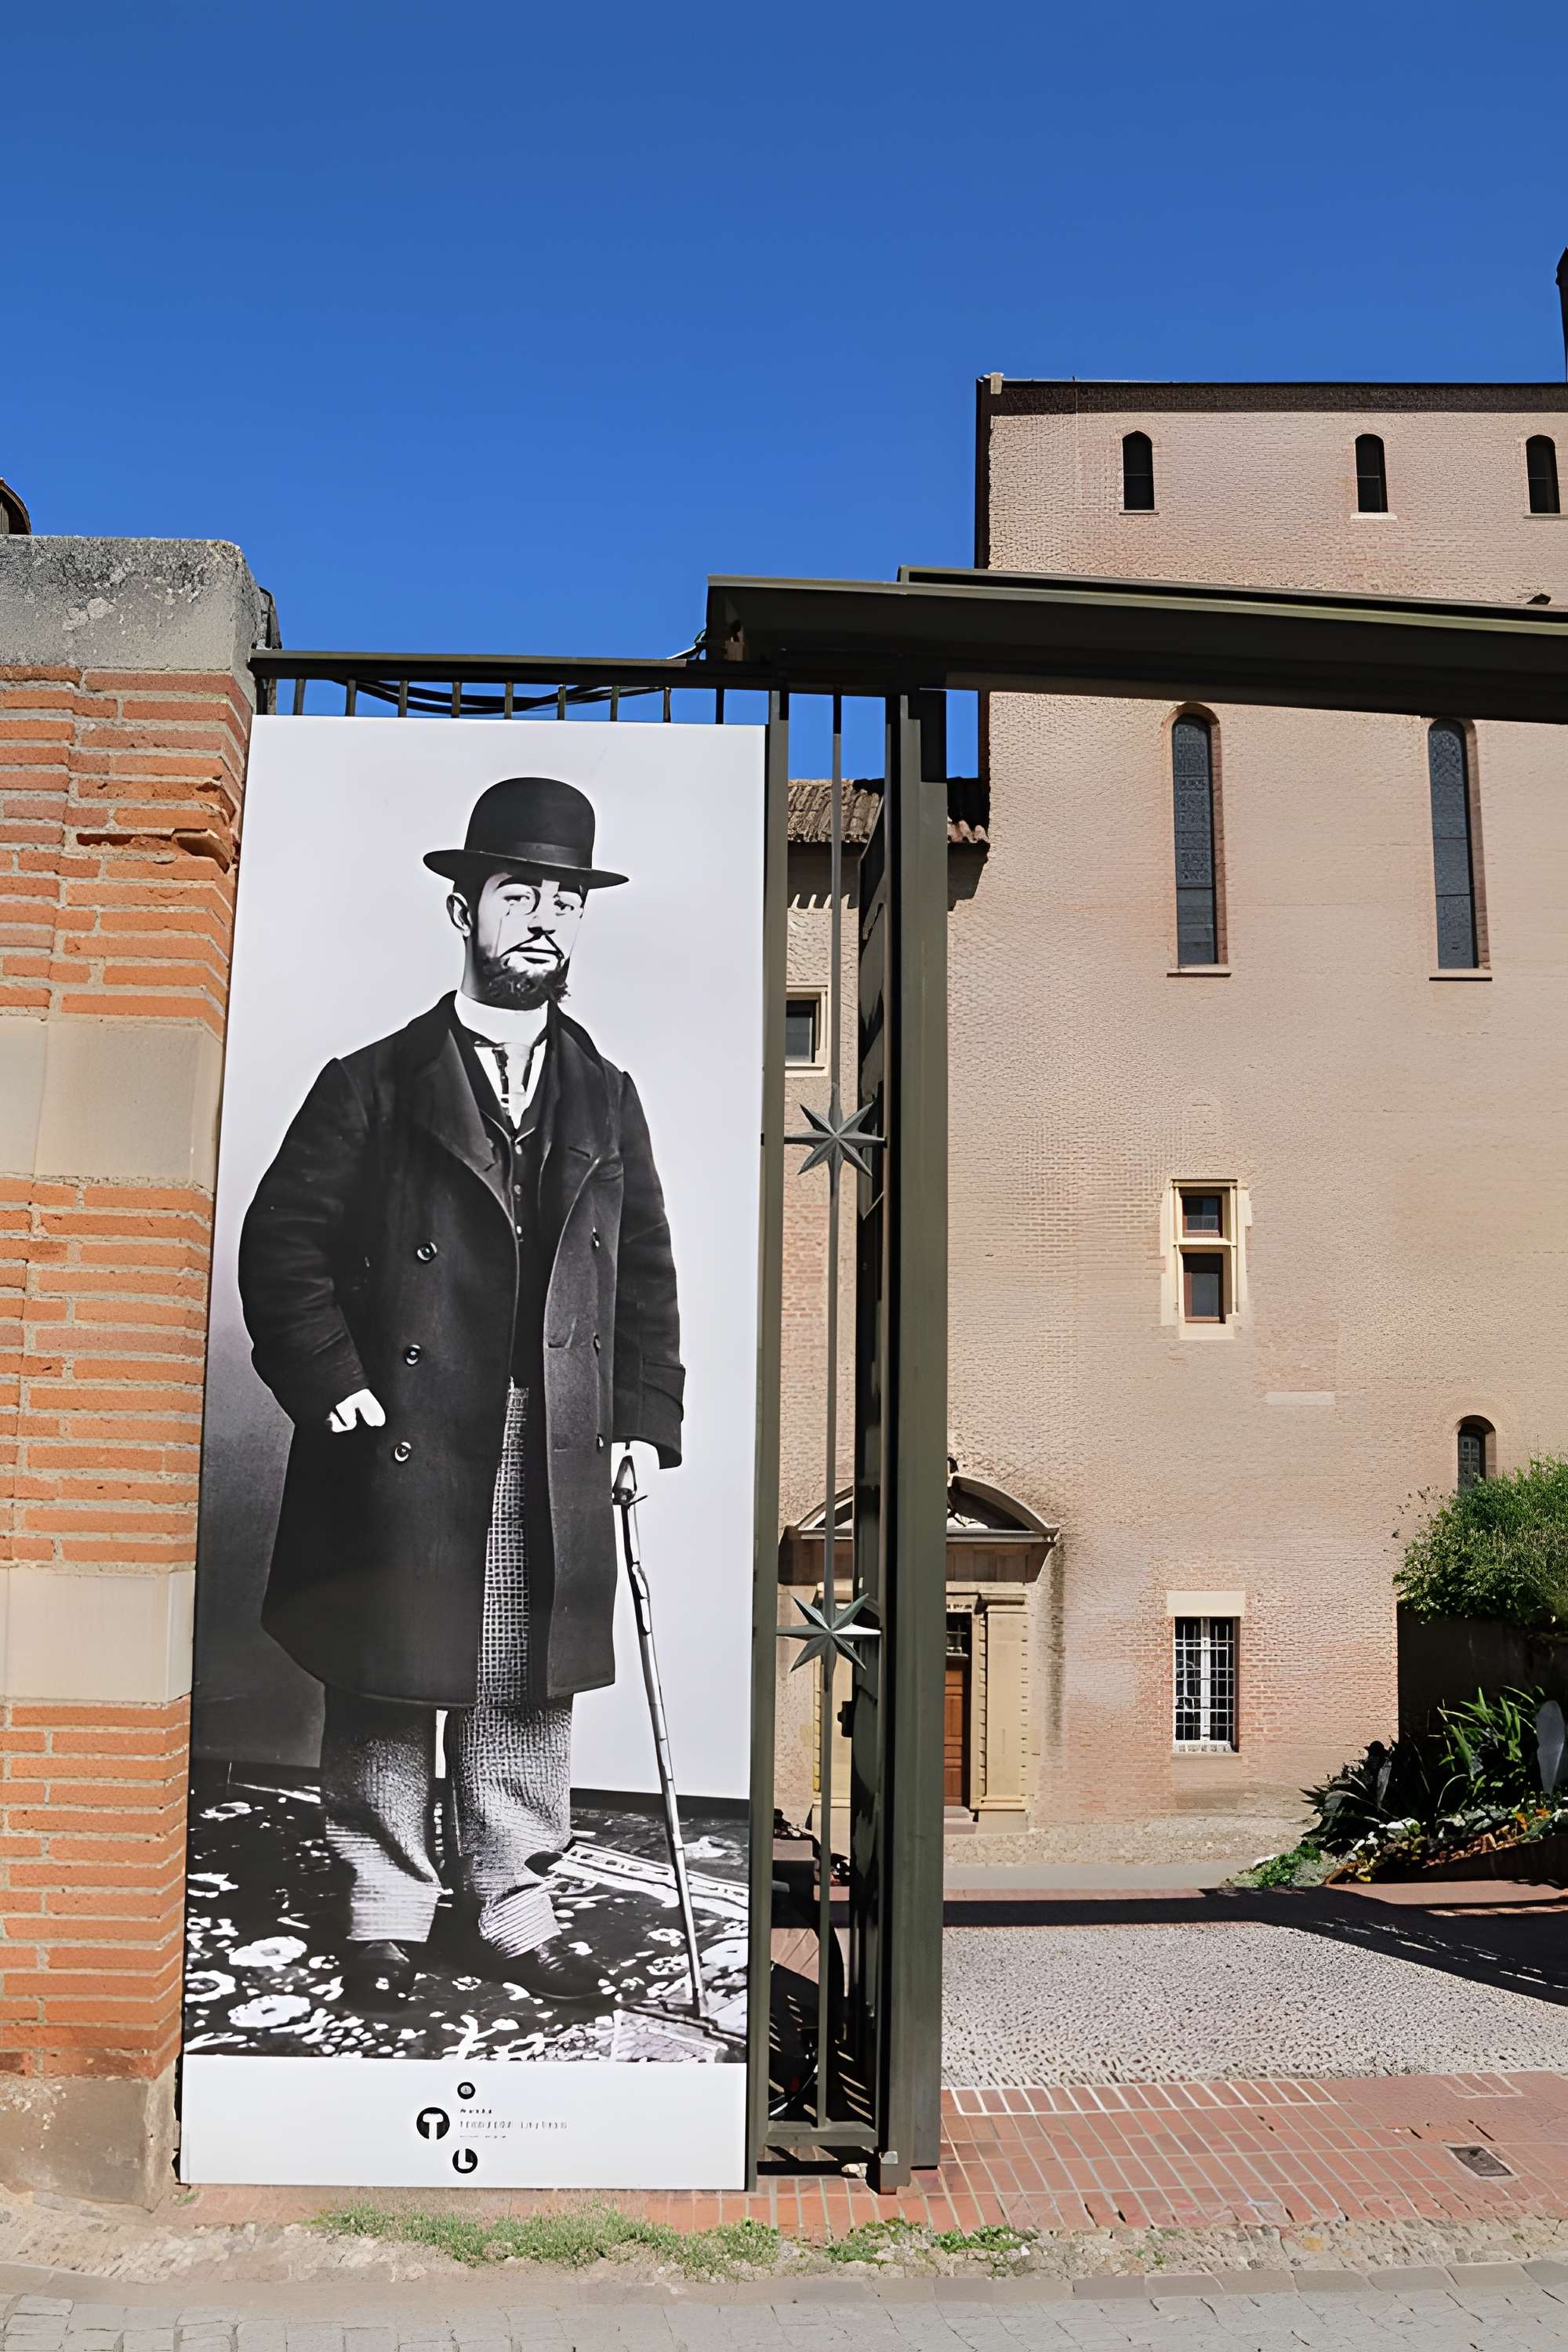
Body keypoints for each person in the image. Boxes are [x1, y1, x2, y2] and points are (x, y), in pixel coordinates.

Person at [238, 776, 684, 2010]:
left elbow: (643, 1268)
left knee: (522, 1678)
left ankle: (515, 1905)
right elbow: (284, 1246)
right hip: (404, 1441)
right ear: (463, 910)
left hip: (551, 1435)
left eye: (563, 900)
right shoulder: (370, 1082)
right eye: (517, 894)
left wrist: (642, 1417)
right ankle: (384, 1904)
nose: (543, 918)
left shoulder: (608, 1096)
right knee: (388, 1678)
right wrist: (332, 1383)